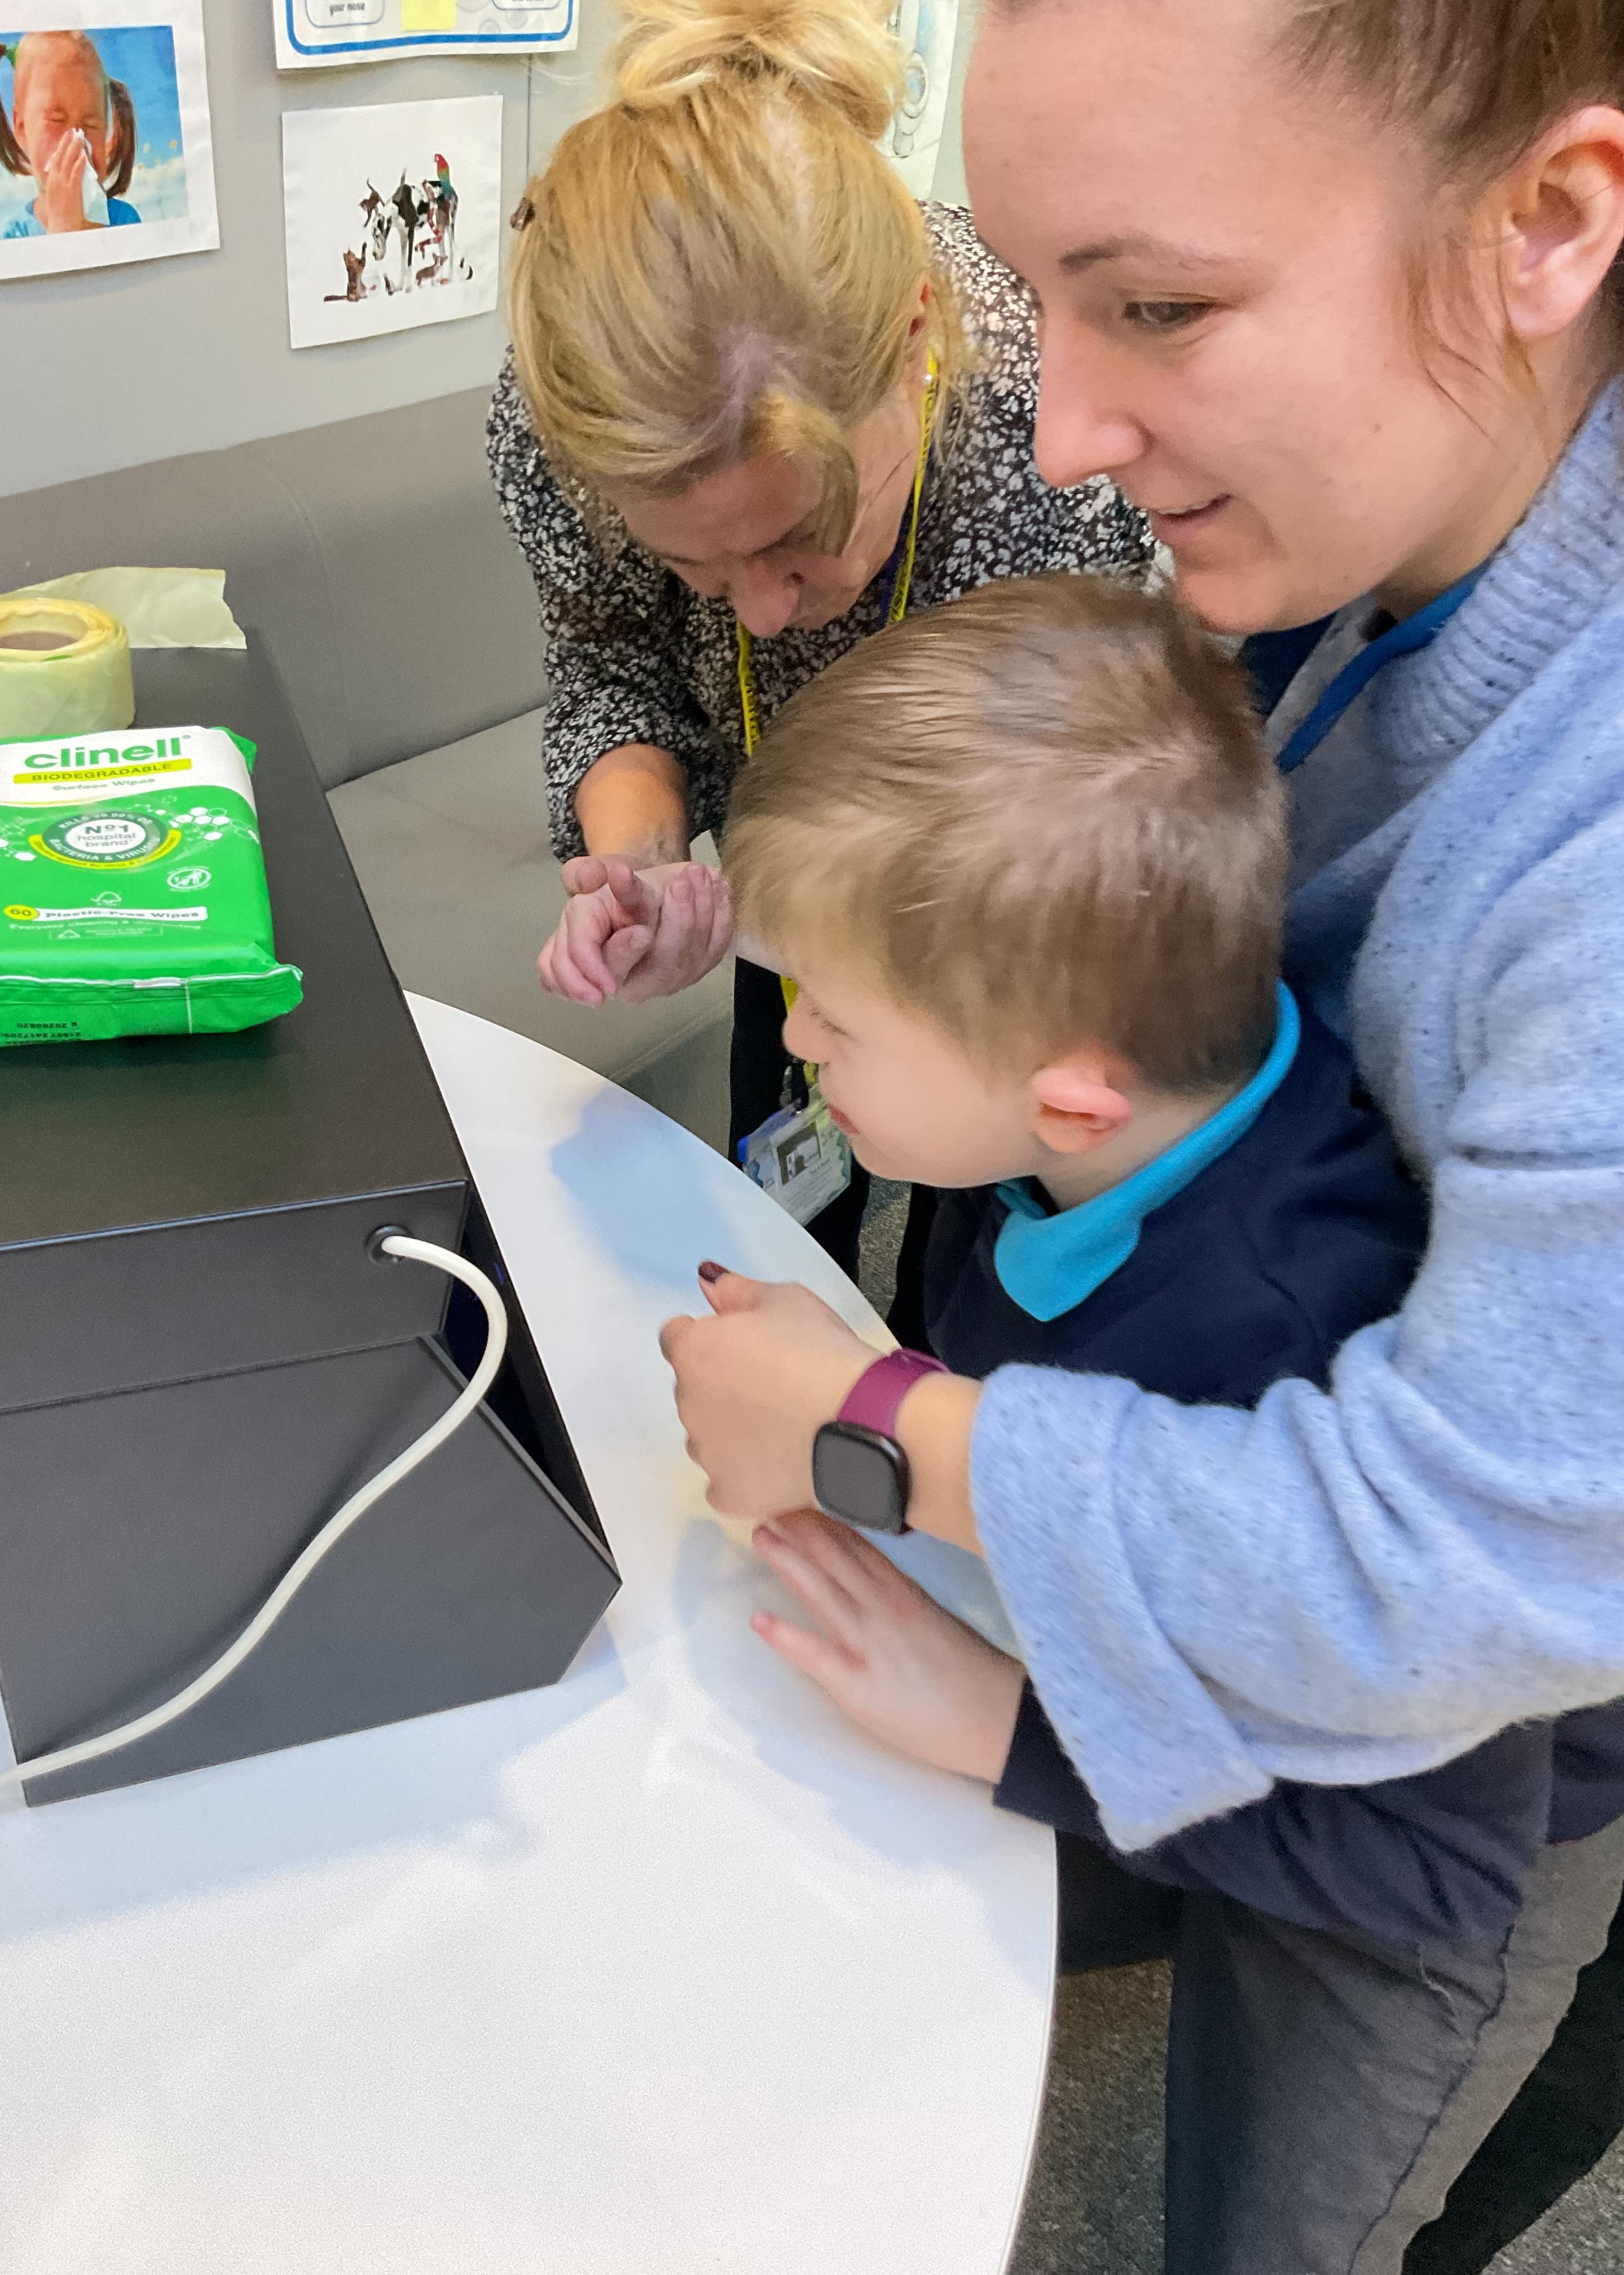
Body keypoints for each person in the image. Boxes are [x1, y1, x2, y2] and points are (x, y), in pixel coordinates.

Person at [661, 1, 1624, 2267]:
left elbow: (1469, 1565)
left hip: (1450, 1809)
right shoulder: (1343, 570)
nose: (1067, 431)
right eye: (1033, 297)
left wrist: (886, 1434)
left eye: (1161, 306)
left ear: (1545, 226)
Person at [485, 0, 1151, 1304]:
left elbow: (1088, 801)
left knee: (977, 1276)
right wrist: (646, 870)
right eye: (695, 565)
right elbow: (612, 671)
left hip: (1001, 913)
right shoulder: (565, 422)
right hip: (781, 889)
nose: (760, 614)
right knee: (788, 1195)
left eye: (799, 538)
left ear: (915, 345)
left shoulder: (1051, 414)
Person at [0, 34, 140, 238]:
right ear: (22, 128)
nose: (77, 140)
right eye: (57, 120)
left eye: (91, 125)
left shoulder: (125, 220)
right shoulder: (8, 237)